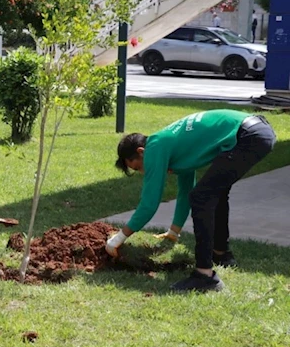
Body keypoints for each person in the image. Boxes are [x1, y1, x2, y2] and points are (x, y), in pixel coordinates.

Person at [107, 110, 276, 293]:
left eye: (139, 167)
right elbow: (185, 191)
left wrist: (117, 239)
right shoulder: (172, 145)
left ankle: (205, 276)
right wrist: (173, 232)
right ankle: (222, 254)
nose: (143, 172)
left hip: (248, 136)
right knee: (213, 192)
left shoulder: (155, 146)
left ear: (141, 151)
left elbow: (149, 204)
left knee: (202, 197)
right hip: (257, 131)